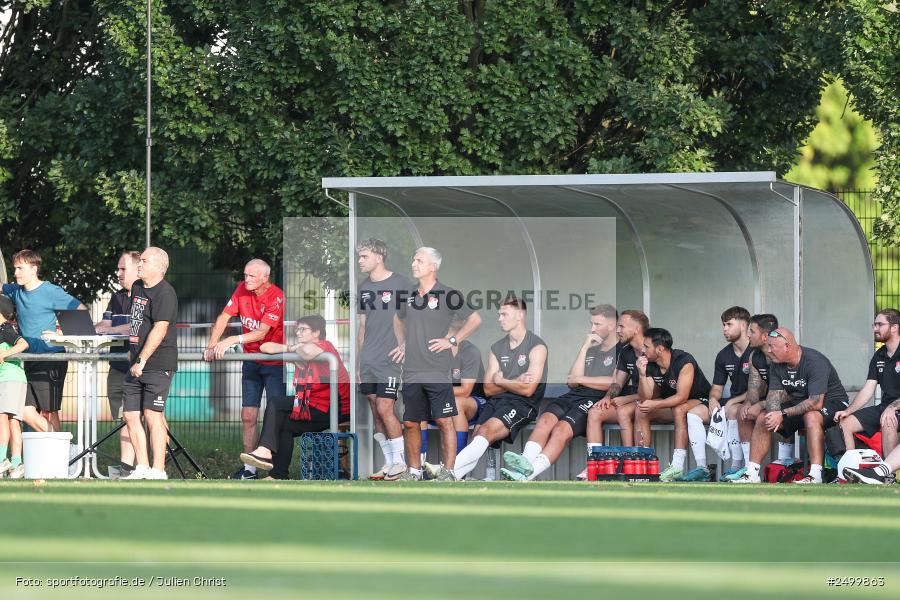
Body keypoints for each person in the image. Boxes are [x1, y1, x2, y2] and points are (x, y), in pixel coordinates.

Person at [387, 247, 481, 481]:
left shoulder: (448, 294)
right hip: (411, 371)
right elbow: (397, 319)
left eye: (419, 260)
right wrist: (403, 344)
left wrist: (453, 340)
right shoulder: (408, 295)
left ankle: (448, 473)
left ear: (433, 267)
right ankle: (414, 471)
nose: (414, 263)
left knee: (443, 420)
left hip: (437, 369)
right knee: (410, 422)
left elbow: (475, 318)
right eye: (413, 259)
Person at [501, 304, 618, 481]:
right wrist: (585, 347)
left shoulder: (621, 351)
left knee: (560, 430)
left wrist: (582, 379)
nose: (592, 329)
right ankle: (523, 464)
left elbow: (614, 383)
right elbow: (571, 381)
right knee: (545, 420)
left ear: (611, 325)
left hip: (594, 399)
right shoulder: (591, 350)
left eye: (597, 324)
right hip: (573, 395)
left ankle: (527, 474)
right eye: (591, 324)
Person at [440, 296, 547, 481]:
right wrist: (515, 381)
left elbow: (528, 390)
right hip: (496, 401)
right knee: (478, 436)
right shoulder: (497, 347)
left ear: (520, 315)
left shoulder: (536, 346)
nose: (500, 319)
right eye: (499, 314)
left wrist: (502, 379)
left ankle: (448, 470)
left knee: (484, 432)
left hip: (523, 404)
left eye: (504, 314)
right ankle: (454, 475)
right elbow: (488, 389)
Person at [732, 327, 850, 484]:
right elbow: (774, 396)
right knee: (763, 418)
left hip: (832, 403)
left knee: (811, 416)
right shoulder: (776, 363)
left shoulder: (815, 361)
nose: (769, 350)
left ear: (787, 346)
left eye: (772, 346)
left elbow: (815, 401)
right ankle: (752, 473)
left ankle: (815, 475)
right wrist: (774, 415)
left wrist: (783, 414)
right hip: (799, 403)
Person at [239, 315, 351, 479]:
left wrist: (295, 350)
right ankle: (278, 475)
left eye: (303, 329)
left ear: (317, 332)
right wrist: (292, 349)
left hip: (335, 408)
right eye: (297, 329)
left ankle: (264, 449)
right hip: (312, 405)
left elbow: (307, 351)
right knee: (285, 426)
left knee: (276, 402)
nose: (298, 333)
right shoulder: (299, 350)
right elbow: (265, 347)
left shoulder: (325, 346)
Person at [204, 259, 285, 480]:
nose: (246, 279)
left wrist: (231, 340)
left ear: (264, 278)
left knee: (275, 416)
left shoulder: (276, 295)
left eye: (251, 276)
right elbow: (223, 317)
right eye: (245, 275)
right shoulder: (242, 289)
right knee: (248, 416)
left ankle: (277, 470)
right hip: (251, 362)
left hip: (273, 363)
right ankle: (249, 470)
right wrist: (212, 345)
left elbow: (261, 333)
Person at [2, 249, 86, 433]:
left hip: (51, 357)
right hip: (29, 359)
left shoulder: (51, 291)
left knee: (49, 411)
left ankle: (60, 451)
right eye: (14, 268)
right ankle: (60, 445)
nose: (15, 273)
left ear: (34, 269)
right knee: (23, 410)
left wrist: (62, 335)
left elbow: (80, 309)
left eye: (19, 268)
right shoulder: (16, 290)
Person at [121, 247, 178, 480]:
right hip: (135, 363)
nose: (139, 265)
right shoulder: (136, 288)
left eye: (144, 261)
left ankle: (158, 470)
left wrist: (142, 359)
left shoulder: (165, 293)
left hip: (156, 363)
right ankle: (141, 466)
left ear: (158, 266)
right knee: (131, 415)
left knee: (152, 415)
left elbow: (160, 328)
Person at [356, 239, 411, 479]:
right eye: (359, 257)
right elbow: (362, 326)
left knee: (385, 406)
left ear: (379, 257)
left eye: (364, 256)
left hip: (390, 359)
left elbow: (416, 319)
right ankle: (390, 464)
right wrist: (358, 363)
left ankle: (400, 462)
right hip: (368, 360)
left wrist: (407, 345)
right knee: (376, 410)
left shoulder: (401, 283)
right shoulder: (363, 287)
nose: (360, 261)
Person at [634, 327, 712, 482]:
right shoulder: (650, 363)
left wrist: (655, 405)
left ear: (660, 349)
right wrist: (642, 375)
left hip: (701, 401)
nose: (643, 350)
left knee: (679, 408)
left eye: (646, 346)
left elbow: (681, 397)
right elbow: (646, 397)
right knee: (641, 411)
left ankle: (677, 466)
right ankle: (644, 463)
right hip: (671, 404)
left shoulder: (684, 361)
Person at [725, 313, 794, 481]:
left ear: (764, 337)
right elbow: (754, 388)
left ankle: (785, 461)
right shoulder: (755, 355)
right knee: (744, 411)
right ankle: (750, 468)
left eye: (752, 331)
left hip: (793, 403)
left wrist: (762, 404)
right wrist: (749, 403)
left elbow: (792, 392)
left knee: (767, 414)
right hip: (771, 401)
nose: (748, 335)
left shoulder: (783, 355)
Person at [95, 250, 141, 476]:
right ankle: (127, 468)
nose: (118, 273)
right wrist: (90, 329)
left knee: (139, 417)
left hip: (138, 367)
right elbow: (105, 324)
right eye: (118, 269)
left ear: (136, 269)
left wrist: (111, 329)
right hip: (117, 366)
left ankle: (144, 466)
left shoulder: (145, 296)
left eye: (123, 269)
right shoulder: (117, 297)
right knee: (123, 419)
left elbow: (136, 326)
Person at [420, 315, 487, 464]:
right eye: (452, 315)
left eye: (460, 316)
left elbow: (465, 391)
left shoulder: (470, 351)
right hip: (438, 401)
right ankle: (420, 465)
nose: (455, 318)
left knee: (456, 404)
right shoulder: (432, 346)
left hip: (473, 405)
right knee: (417, 405)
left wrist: (434, 391)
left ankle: (457, 467)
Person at [835, 308, 900, 457]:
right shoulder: (880, 355)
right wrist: (848, 411)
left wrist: (892, 408)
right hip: (885, 407)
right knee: (845, 424)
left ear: (894, 327)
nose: (875, 329)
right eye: (874, 325)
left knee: (888, 420)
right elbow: (868, 390)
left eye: (879, 325)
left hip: (893, 409)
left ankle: (889, 475)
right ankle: (851, 472)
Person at [707, 306, 754, 478]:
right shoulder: (723, 355)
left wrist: (733, 402)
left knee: (734, 410)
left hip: (758, 400)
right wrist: (713, 399)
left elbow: (760, 388)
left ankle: (743, 465)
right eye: (723, 325)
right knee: (693, 413)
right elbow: (717, 388)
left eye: (728, 324)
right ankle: (701, 468)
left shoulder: (756, 350)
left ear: (743, 326)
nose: (724, 329)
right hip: (734, 401)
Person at [0, 296, 29, 479]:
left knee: (1, 417)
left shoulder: (4, 328)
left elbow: (23, 344)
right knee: (13, 422)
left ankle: (2, 458)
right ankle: (17, 464)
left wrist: (4, 353)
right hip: (16, 379)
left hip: (9, 378)